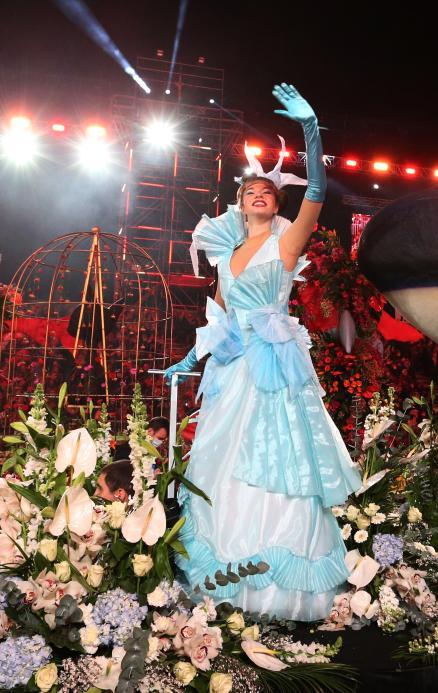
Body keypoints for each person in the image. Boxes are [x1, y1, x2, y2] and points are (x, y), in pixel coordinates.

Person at [164, 83, 361, 621]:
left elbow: (317, 188)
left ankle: (277, 584)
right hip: (234, 367)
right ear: (239, 203)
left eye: (268, 192)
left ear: (276, 204)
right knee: (223, 459)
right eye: (250, 190)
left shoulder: (286, 242)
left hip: (273, 365)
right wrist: (190, 361)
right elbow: (221, 320)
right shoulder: (227, 256)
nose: (258, 194)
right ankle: (225, 577)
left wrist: (311, 126)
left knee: (279, 459)